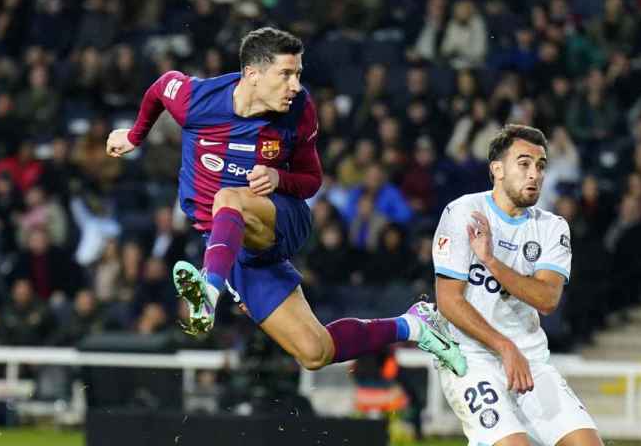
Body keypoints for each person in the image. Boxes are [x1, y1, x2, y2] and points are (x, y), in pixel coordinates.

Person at [105, 27, 465, 374]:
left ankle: (208, 291)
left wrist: (279, 177)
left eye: (298, 74)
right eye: (286, 74)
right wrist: (135, 137)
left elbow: (311, 181)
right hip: (231, 245)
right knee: (314, 351)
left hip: (280, 218)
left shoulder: (298, 110)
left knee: (229, 197)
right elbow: (159, 88)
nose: (296, 85)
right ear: (253, 74)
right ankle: (415, 326)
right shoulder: (197, 101)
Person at [415, 124, 602, 446]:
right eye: (524, 163)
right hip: (471, 359)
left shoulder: (552, 227)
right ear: (497, 169)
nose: (535, 174)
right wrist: (503, 346)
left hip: (530, 359)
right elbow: (448, 301)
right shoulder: (463, 213)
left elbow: (546, 299)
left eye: (541, 166)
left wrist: (491, 261)